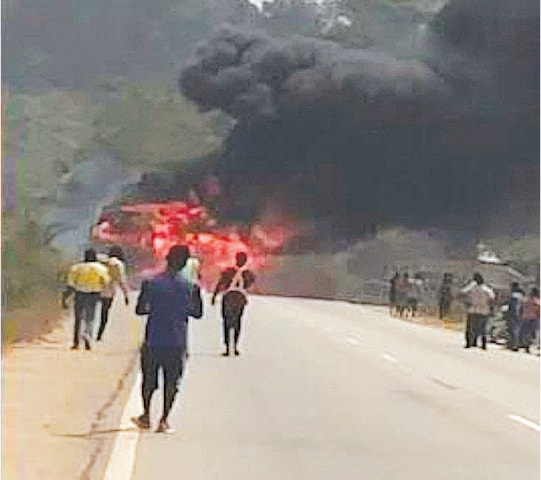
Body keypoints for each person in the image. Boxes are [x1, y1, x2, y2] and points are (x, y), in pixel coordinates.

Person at [132, 245, 202, 434]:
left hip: (153, 339)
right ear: (185, 263)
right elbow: (197, 313)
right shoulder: (191, 287)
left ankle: (145, 415)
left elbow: (140, 310)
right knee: (172, 382)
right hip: (177, 341)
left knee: (149, 381)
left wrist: (156, 309)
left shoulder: (151, 283)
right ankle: (164, 420)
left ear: (167, 259)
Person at [62, 248, 111, 351]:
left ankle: (76, 342)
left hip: (79, 294)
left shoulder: (76, 268)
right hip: (94, 294)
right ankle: (87, 335)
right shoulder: (100, 268)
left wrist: (65, 298)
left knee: (78, 318)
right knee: (90, 317)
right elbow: (106, 282)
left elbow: (70, 284)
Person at [211, 252, 256, 356]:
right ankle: (234, 346)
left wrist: (215, 295)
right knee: (237, 322)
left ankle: (228, 346)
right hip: (239, 298)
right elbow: (251, 284)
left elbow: (220, 283)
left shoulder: (229, 271)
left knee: (227, 321)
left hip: (229, 297)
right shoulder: (248, 273)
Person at [96, 246, 130, 342]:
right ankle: (99, 335)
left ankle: (88, 332)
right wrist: (126, 295)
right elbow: (121, 280)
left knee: (91, 311)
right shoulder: (118, 264)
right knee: (104, 313)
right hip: (109, 292)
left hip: (96, 289)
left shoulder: (101, 261)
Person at [461, 273, 495, 349]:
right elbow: (492, 299)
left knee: (471, 328)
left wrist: (466, 303)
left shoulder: (472, 287)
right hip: (484, 311)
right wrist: (491, 308)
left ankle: (469, 343)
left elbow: (463, 293)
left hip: (473, 309)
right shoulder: (487, 289)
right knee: (482, 328)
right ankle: (483, 344)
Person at [519, 287, 540, 354]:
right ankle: (527, 346)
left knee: (526, 332)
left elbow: (521, 308)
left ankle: (526, 345)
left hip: (526, 317)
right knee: (531, 333)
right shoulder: (537, 301)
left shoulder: (526, 300)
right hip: (533, 318)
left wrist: (521, 315)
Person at [507, 282, 525, 351]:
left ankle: (514, 344)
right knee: (518, 329)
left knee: (513, 329)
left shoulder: (514, 295)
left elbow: (514, 306)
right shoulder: (521, 295)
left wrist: (512, 313)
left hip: (514, 314)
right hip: (521, 314)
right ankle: (517, 343)